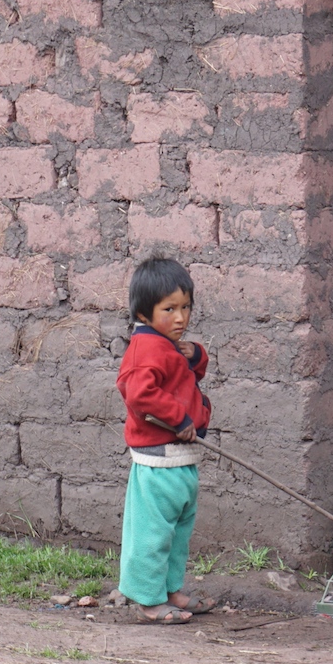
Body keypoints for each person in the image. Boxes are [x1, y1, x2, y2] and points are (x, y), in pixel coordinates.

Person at [116, 257, 217, 625]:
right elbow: (138, 393)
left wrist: (196, 354)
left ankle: (170, 590)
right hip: (158, 461)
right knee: (153, 534)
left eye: (185, 307)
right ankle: (148, 600)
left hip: (181, 459)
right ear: (144, 313)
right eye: (169, 309)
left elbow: (184, 373)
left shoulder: (168, 344)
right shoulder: (146, 350)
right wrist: (179, 418)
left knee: (177, 533)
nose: (180, 318)